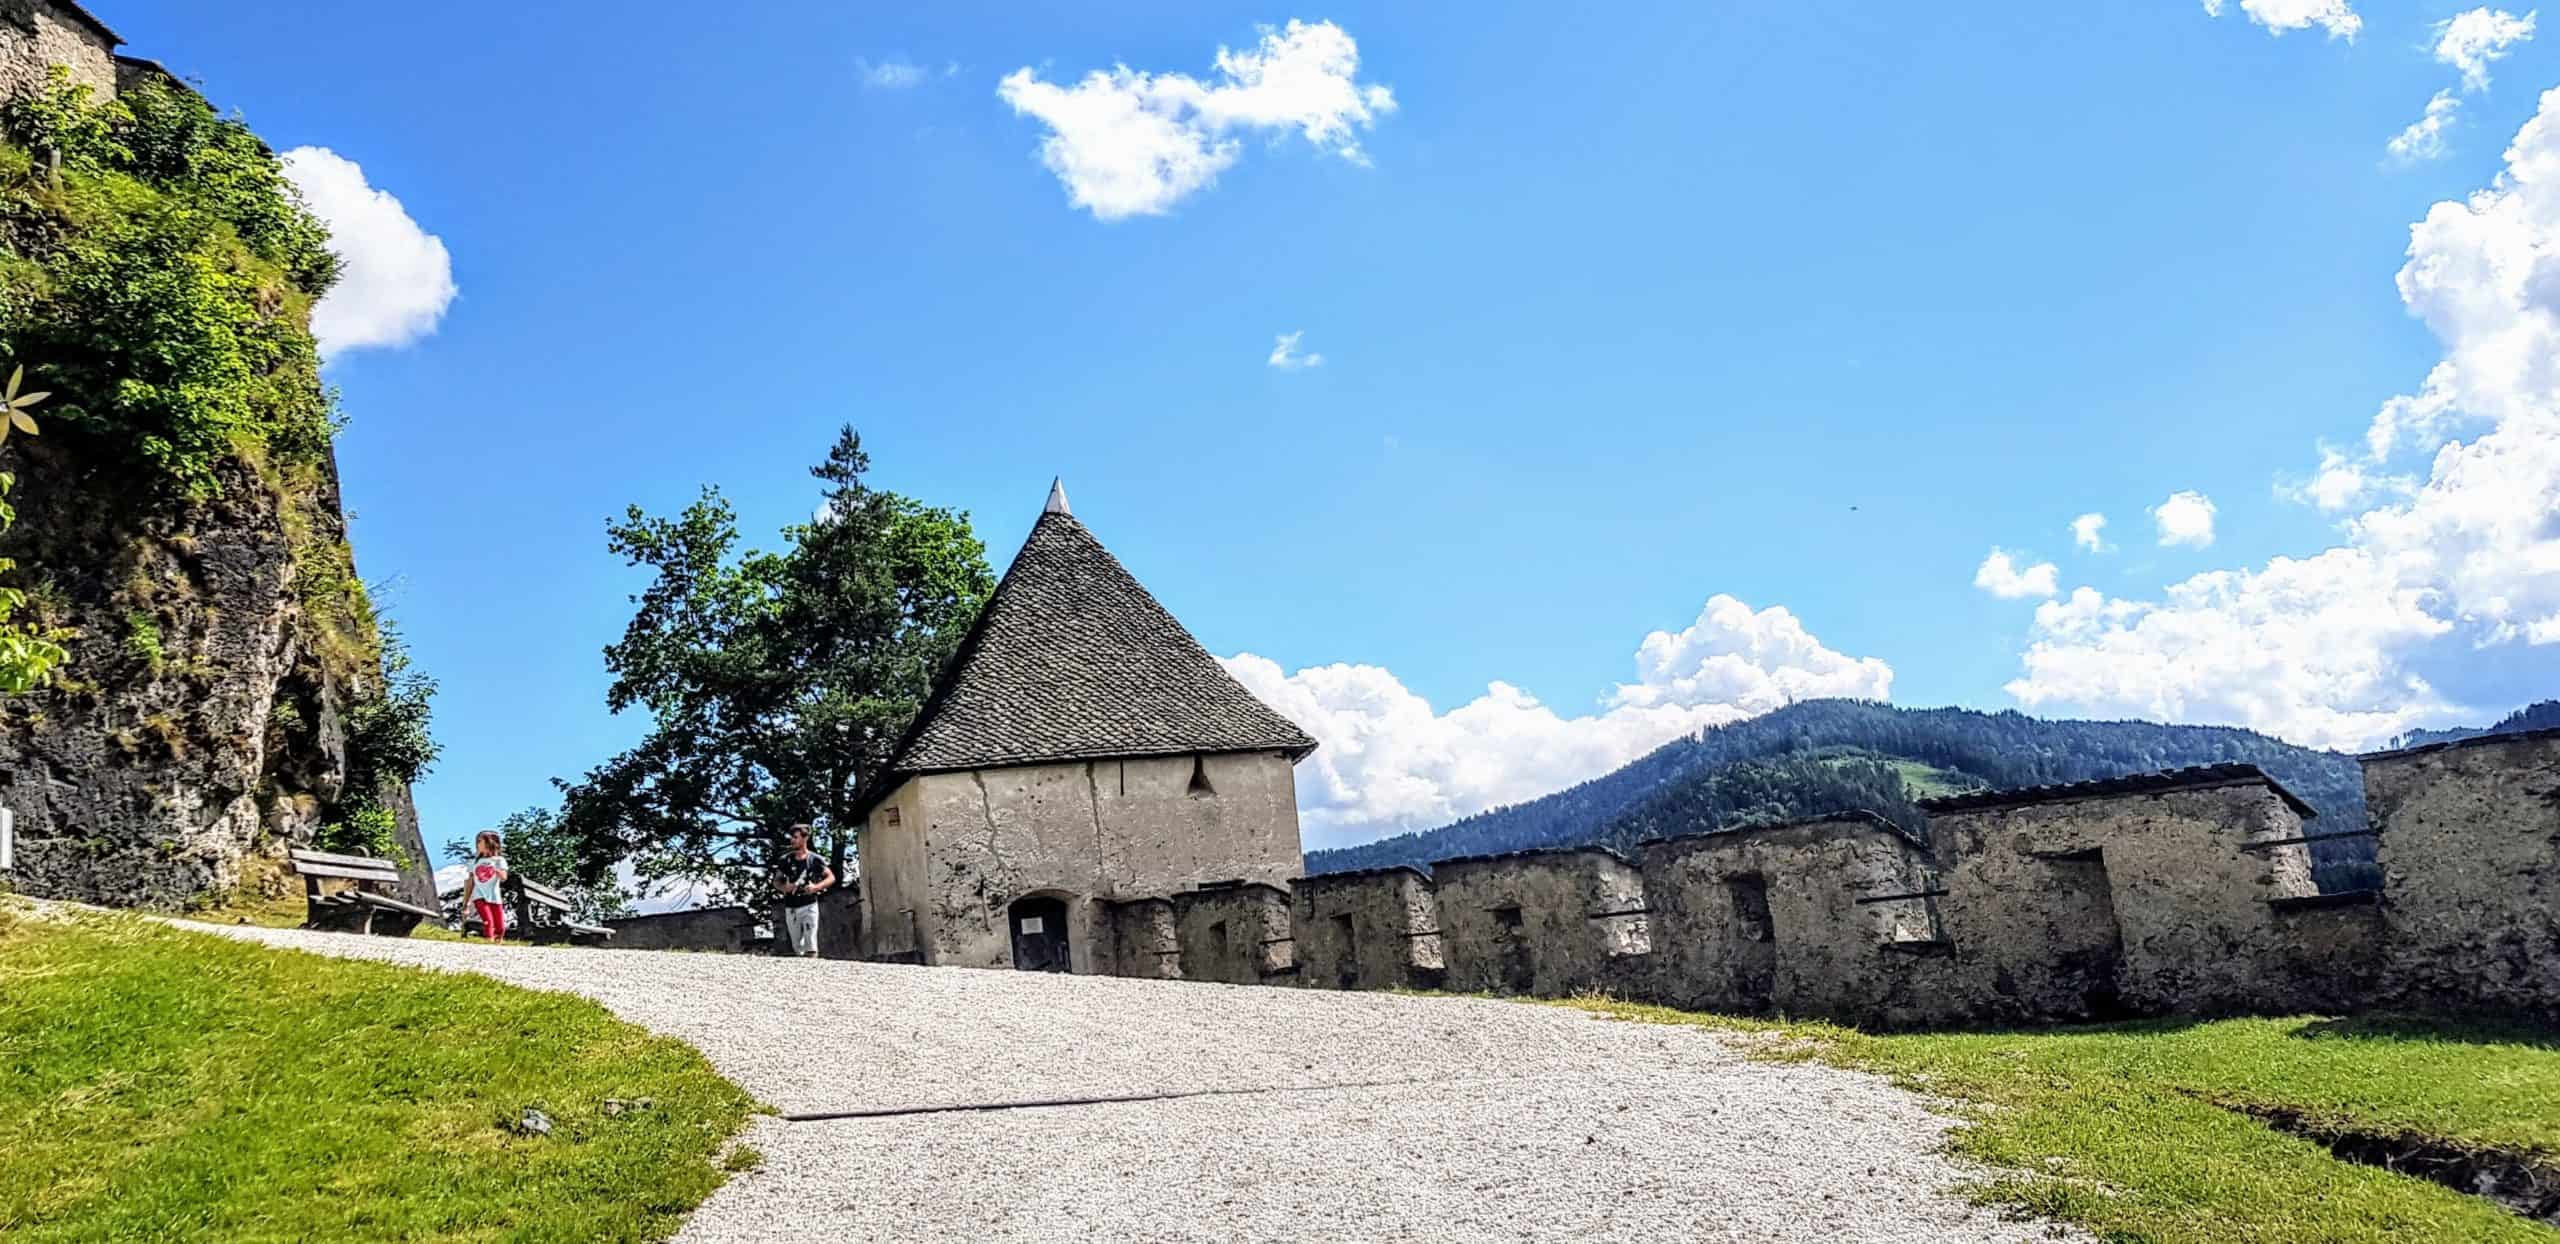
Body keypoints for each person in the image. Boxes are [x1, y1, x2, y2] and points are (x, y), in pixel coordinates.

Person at [774, 825, 835, 957]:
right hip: (791, 906)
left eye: (795, 837)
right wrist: (785, 887)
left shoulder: (814, 859)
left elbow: (831, 877)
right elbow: (776, 881)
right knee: (797, 945)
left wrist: (816, 887)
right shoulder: (785, 860)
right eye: (791, 837)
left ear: (805, 838)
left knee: (810, 942)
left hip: (809, 904)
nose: (792, 840)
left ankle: (813, 968)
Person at [468, 830, 510, 944]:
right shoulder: (474, 862)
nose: (477, 844)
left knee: (500, 927)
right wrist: (466, 901)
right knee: (488, 921)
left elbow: (504, 877)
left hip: (494, 896)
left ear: (489, 842)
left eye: (480, 841)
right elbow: (471, 881)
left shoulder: (499, 860)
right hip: (479, 894)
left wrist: (496, 870)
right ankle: (489, 943)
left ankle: (498, 943)